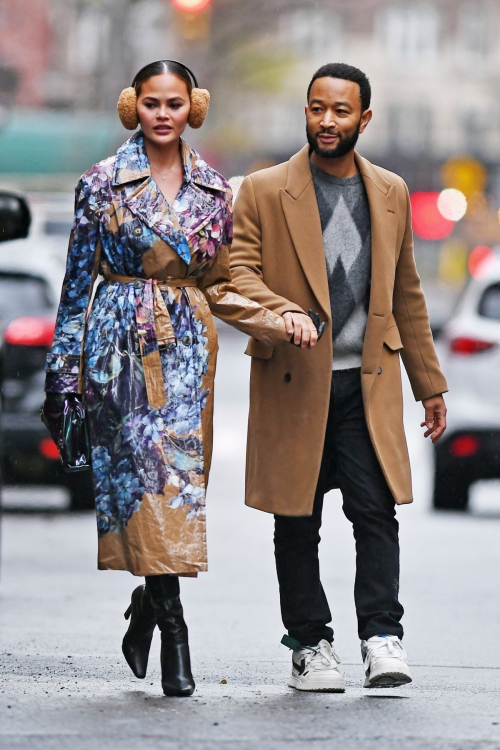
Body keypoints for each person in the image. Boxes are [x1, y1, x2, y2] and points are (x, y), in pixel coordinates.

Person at [42, 60, 308, 698]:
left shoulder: (216, 190)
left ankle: (148, 606)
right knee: (146, 487)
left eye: (176, 104)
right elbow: (77, 287)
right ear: (134, 105)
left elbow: (220, 285)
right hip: (118, 351)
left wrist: (277, 318)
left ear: (196, 108)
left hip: (189, 349)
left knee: (180, 489)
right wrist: (63, 373)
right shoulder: (101, 183)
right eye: (154, 103)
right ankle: (176, 630)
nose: (165, 114)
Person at [230, 63, 448, 692]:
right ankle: (309, 644)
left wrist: (428, 384)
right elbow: (238, 271)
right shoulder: (266, 189)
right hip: (296, 381)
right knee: (295, 518)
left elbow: (407, 292)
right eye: (316, 108)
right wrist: (281, 314)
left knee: (376, 514)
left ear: (364, 119)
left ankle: (383, 637)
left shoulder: (392, 191)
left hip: (366, 383)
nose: (327, 121)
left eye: (340, 111)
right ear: (306, 112)